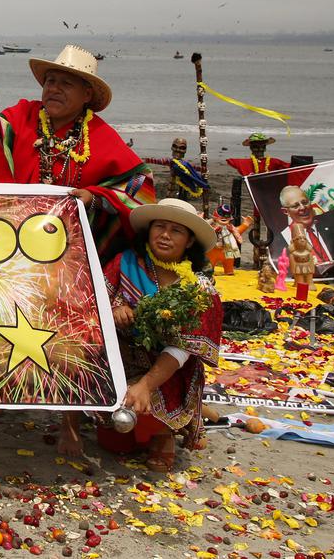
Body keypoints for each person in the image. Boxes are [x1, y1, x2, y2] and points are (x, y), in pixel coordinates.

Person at [60, 198, 221, 472]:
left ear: (190, 241)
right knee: (116, 442)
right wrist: (114, 310)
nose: (166, 235)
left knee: (146, 411)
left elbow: (182, 349)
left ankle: (164, 433)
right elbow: (89, 307)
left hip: (164, 370)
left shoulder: (200, 289)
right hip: (119, 357)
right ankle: (71, 423)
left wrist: (145, 385)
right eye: (160, 226)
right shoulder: (125, 263)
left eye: (176, 230)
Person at [0, 44, 155, 262]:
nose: (54, 89)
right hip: (10, 237)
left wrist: (95, 198)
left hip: (70, 250)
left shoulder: (100, 134)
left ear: (86, 94)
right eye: (50, 82)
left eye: (66, 84)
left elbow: (140, 185)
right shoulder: (21, 116)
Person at [279, 185, 334, 265]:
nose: (303, 208)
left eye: (305, 202)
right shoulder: (282, 240)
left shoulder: (332, 219)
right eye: (295, 206)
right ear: (286, 212)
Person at [143, 137, 207, 202]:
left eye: (182, 148)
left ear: (185, 150)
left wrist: (204, 170)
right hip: (172, 188)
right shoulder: (171, 162)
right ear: (172, 148)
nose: (178, 150)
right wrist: (145, 160)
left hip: (182, 189)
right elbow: (157, 161)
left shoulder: (185, 164)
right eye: (175, 147)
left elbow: (194, 168)